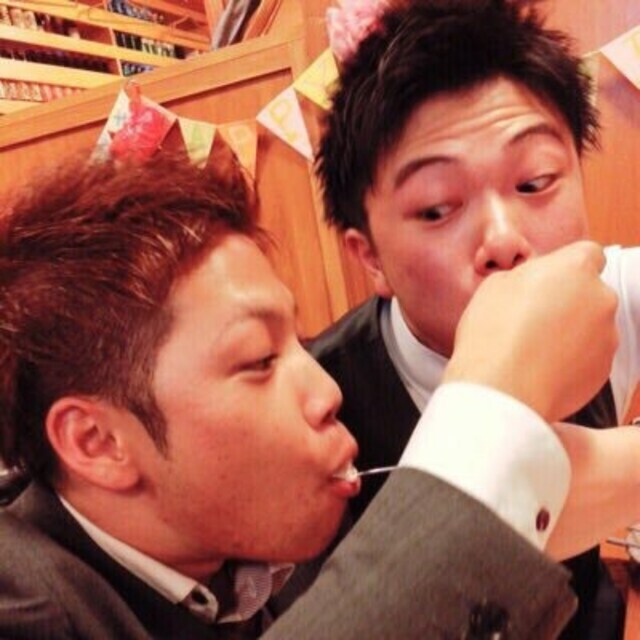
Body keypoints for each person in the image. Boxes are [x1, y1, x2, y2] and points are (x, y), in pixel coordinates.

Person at [0, 152, 620, 639]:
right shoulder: (21, 606)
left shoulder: (238, 563)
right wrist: (491, 403)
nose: (326, 390)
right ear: (97, 441)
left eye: (297, 343)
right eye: (258, 360)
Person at [312, 0, 640, 638]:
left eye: (535, 182)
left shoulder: (608, 293)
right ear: (369, 256)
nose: (504, 240)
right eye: (437, 209)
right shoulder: (319, 407)